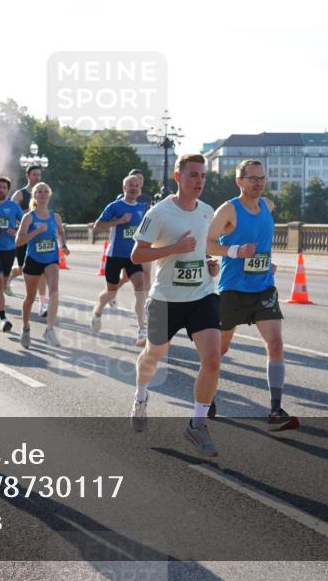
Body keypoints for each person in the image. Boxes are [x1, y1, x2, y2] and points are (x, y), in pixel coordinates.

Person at [128, 154, 223, 458]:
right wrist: (175, 249)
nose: (199, 181)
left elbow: (203, 247)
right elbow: (137, 255)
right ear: (178, 178)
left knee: (213, 359)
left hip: (201, 295)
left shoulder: (207, 212)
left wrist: (209, 264)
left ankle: (196, 424)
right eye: (193, 175)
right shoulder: (159, 213)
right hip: (165, 298)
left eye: (203, 176)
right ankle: (141, 397)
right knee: (152, 356)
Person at [207, 159, 297, 430]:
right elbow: (208, 242)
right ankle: (207, 397)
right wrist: (234, 252)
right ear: (239, 181)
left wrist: (266, 261)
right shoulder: (228, 210)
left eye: (262, 178)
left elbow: (263, 242)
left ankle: (275, 408)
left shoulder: (268, 206)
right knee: (219, 350)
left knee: (276, 343)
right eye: (253, 178)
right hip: (233, 288)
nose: (258, 183)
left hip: (263, 287)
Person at [90, 175, 149, 346]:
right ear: (124, 188)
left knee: (140, 287)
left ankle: (141, 328)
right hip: (115, 255)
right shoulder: (115, 206)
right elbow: (97, 226)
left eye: (137, 186)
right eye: (130, 185)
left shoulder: (142, 208)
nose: (133, 188)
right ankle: (98, 310)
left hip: (133, 256)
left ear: (140, 190)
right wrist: (119, 221)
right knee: (111, 292)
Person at [16, 183, 69, 348]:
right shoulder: (29, 217)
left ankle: (50, 330)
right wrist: (36, 232)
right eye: (40, 191)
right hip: (33, 259)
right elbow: (19, 241)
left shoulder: (56, 217)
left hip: (51, 259)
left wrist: (64, 246)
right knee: (30, 298)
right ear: (34, 196)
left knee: (54, 290)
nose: (43, 194)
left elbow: (60, 232)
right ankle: (25, 328)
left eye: (46, 191)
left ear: (49, 195)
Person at [9, 164, 48, 311]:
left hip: (39, 239)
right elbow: (10, 212)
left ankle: (43, 303)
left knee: (42, 270)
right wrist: (26, 214)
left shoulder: (43, 193)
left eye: (39, 174)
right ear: (28, 176)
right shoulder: (20, 194)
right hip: (24, 237)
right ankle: (10, 279)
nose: (37, 177)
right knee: (23, 270)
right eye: (34, 174)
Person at [0, 177, 23, 333]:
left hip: (9, 249)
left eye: (4, 187)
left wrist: (16, 230)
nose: (1, 190)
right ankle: (3, 319)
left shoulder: (13, 207)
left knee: (2, 283)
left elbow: (25, 222)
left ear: (8, 190)